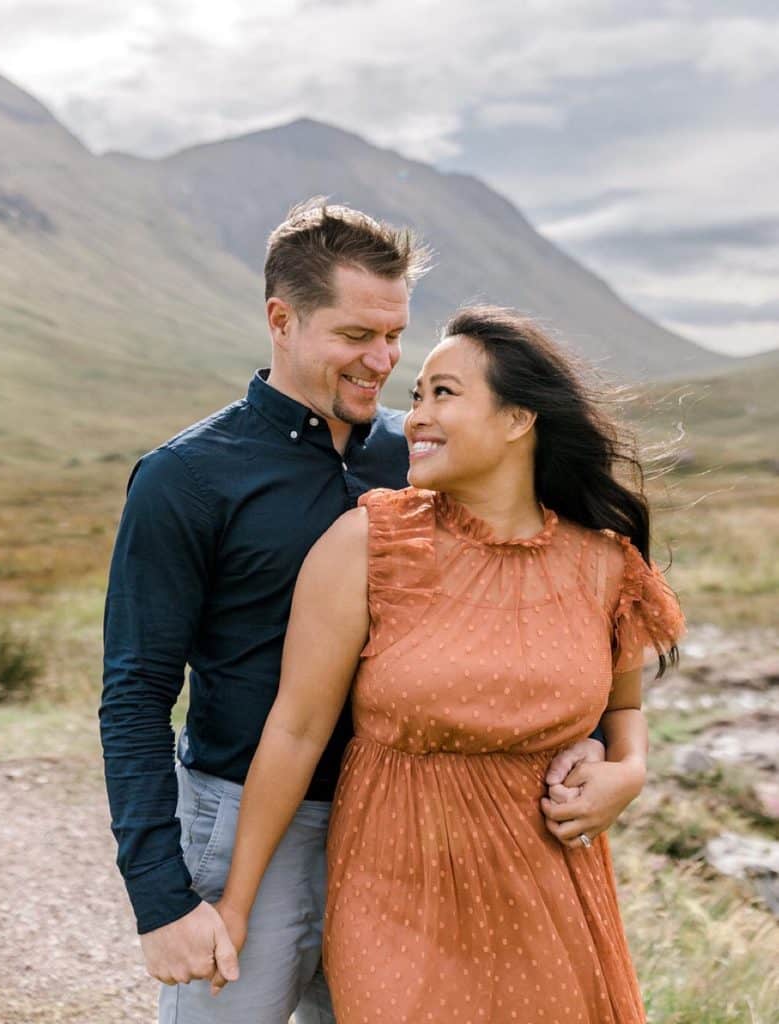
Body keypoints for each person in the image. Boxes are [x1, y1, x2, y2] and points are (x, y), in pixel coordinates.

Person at [101, 200, 641, 1024]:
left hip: (410, 830)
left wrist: (608, 757)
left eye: (394, 336)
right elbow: (136, 693)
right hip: (251, 813)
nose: (382, 361)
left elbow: (536, 609)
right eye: (356, 336)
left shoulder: (425, 453)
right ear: (281, 321)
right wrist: (160, 900)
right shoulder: (188, 477)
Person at [212, 306, 685, 1022]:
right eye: (416, 395)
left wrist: (628, 772)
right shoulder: (367, 544)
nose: (416, 417)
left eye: (443, 393)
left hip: (549, 895)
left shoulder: (603, 564)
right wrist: (235, 904)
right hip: (394, 891)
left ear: (518, 418)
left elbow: (622, 712)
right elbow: (297, 730)